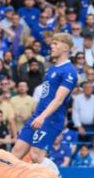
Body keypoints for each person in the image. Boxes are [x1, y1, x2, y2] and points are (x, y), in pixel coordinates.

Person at [11, 33, 78, 164]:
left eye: (55, 44)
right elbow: (46, 95)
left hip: (51, 118)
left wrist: (42, 117)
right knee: (16, 152)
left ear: (65, 48)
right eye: (52, 43)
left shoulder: (69, 71)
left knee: (36, 156)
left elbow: (58, 100)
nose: (51, 46)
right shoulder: (52, 69)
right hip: (38, 116)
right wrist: (38, 114)